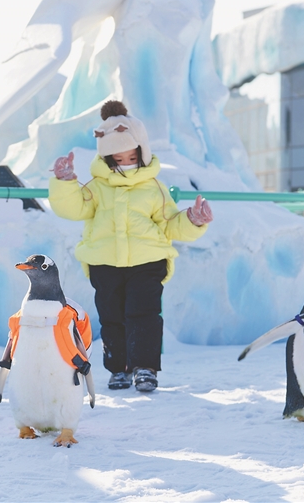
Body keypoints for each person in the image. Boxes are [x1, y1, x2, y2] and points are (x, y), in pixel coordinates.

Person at [48, 100, 213, 392]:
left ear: (142, 152)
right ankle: (119, 368)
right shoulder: (97, 188)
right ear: (108, 159)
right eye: (118, 159)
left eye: (130, 157)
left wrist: (193, 220)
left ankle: (145, 368)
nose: (125, 164)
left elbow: (170, 223)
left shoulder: (154, 188)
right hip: (105, 263)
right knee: (112, 317)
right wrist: (65, 183)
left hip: (147, 262)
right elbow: (73, 208)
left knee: (144, 314)